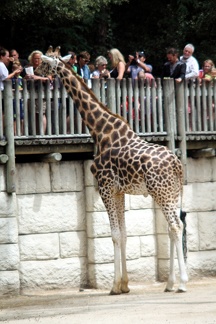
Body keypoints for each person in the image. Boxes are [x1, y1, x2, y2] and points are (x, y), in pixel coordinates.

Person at [25, 50, 52, 134]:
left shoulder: (46, 68)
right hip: (31, 93)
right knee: (34, 114)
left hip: (41, 93)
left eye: (38, 58)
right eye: (35, 58)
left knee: (41, 113)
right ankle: (35, 133)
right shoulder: (29, 68)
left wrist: (36, 77)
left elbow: (49, 79)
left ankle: (42, 133)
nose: (36, 60)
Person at [11, 60, 24, 135]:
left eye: (19, 70)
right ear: (13, 70)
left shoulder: (21, 78)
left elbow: (23, 87)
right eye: (16, 70)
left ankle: (21, 132)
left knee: (22, 117)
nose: (17, 71)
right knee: (15, 117)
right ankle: (15, 132)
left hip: (20, 100)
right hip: (13, 100)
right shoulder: (11, 78)